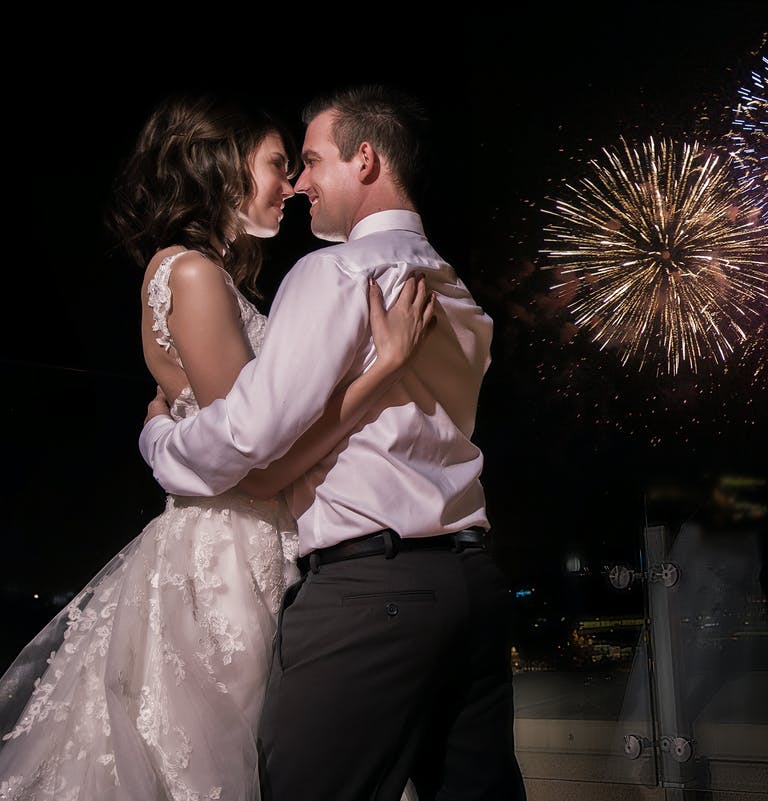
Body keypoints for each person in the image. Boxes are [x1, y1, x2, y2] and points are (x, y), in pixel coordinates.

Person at [0, 92, 433, 801]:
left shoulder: (202, 275)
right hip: (231, 555)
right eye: (275, 165)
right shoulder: (193, 276)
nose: (291, 186)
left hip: (242, 536)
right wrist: (381, 370)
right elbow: (260, 460)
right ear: (221, 168)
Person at [137, 85, 526, 801]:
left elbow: (246, 443)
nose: (300, 182)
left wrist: (159, 438)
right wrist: (380, 371)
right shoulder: (457, 293)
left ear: (366, 160)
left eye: (309, 161)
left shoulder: (334, 273)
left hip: (369, 591)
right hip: (472, 582)